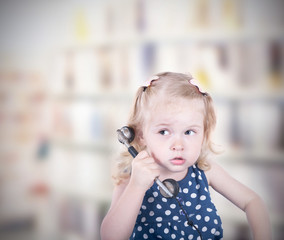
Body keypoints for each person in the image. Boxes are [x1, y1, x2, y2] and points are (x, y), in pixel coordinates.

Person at [100, 72, 272, 240]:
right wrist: (136, 186)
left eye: (189, 131)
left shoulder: (204, 170)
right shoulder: (132, 176)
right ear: (141, 134)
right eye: (164, 131)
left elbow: (252, 202)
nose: (178, 145)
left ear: (204, 133)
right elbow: (109, 236)